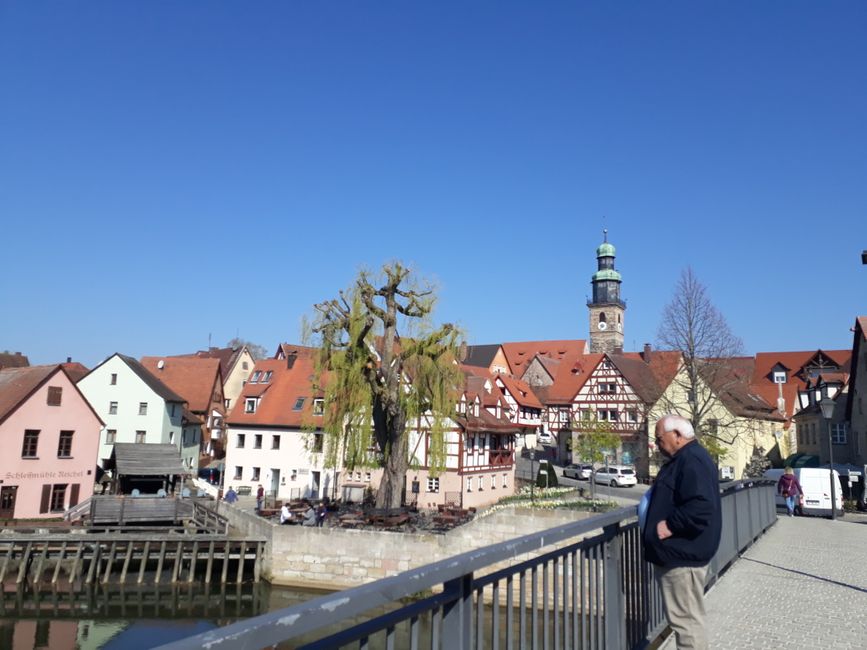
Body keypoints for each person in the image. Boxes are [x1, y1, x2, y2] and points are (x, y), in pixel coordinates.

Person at [643, 414, 722, 650]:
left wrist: (668, 526)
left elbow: (701, 507)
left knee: (686, 624)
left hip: (681, 557)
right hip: (681, 555)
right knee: (687, 621)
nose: (656, 444)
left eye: (659, 439)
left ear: (677, 436)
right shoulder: (689, 458)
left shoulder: (691, 460)